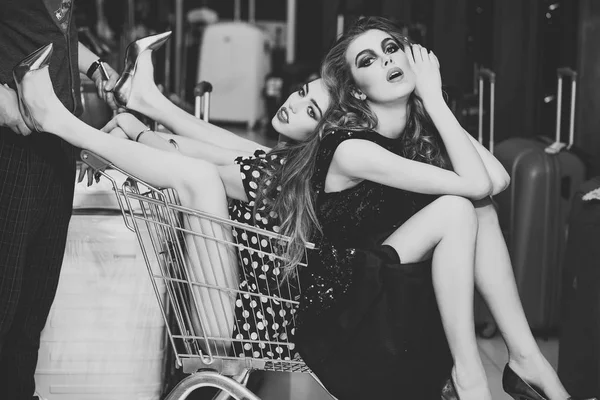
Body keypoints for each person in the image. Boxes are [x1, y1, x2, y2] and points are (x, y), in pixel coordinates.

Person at [259, 16, 585, 400]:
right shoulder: (351, 148)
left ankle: (527, 359)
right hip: (347, 315)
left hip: (396, 291)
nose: (385, 60)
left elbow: (496, 181)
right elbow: (478, 182)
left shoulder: (417, 129)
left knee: (481, 209)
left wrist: (432, 105)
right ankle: (470, 378)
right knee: (457, 209)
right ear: (357, 92)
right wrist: (431, 97)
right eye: (367, 61)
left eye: (391, 49)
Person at [0, 1, 120, 398]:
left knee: (31, 310)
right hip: (10, 148)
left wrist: (94, 67)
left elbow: (55, 33)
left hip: (57, 150)